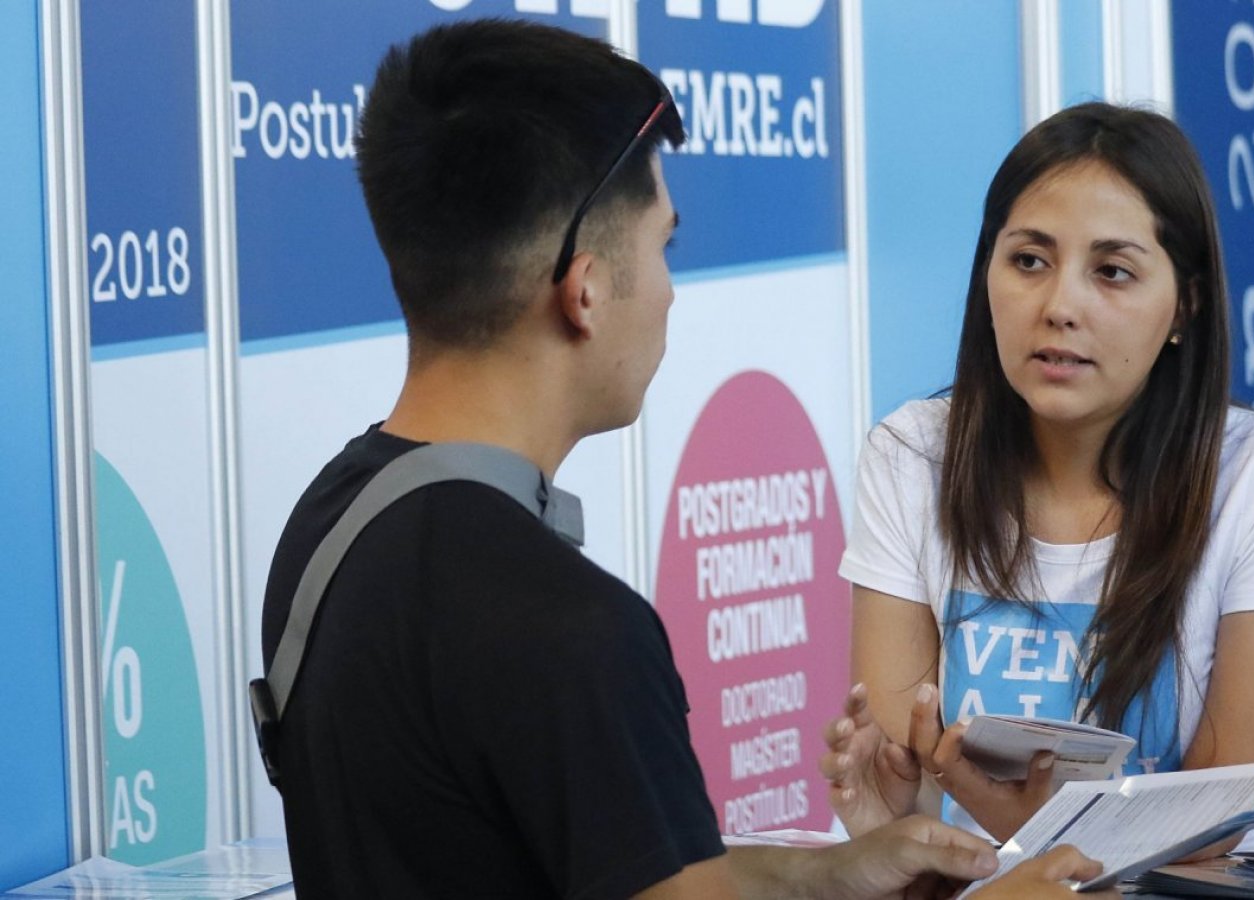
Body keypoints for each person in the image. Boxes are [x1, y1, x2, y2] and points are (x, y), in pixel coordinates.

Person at [258, 18, 1113, 899]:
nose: (670, 291)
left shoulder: (330, 525)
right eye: (664, 246)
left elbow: (600, 866)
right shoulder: (575, 634)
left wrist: (822, 876)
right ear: (584, 290)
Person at [821, 102, 1254, 853]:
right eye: (1029, 260)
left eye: (1113, 272)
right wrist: (890, 825)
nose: (1060, 306)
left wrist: (1023, 827)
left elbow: (1208, 834)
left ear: (1183, 306)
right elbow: (912, 787)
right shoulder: (913, 455)